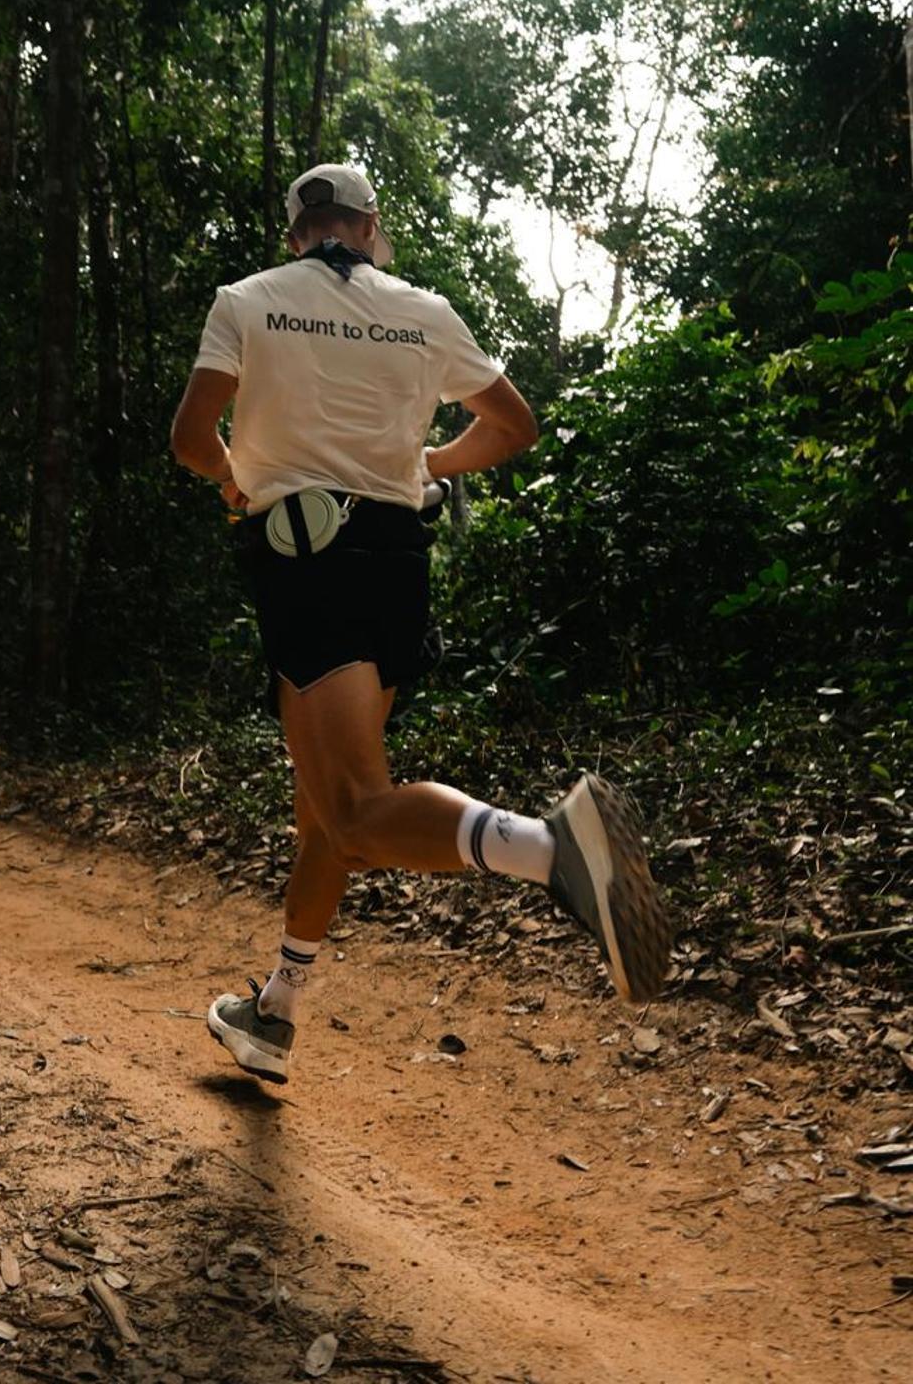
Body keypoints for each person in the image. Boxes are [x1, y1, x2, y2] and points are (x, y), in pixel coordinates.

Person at [171, 164, 670, 1085]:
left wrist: (236, 480)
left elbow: (191, 437)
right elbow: (513, 426)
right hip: (397, 562)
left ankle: (557, 850)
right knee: (323, 812)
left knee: (355, 809)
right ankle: (274, 1011)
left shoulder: (246, 300)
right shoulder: (424, 309)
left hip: (305, 560)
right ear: (369, 226)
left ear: (298, 231)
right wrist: (426, 457)